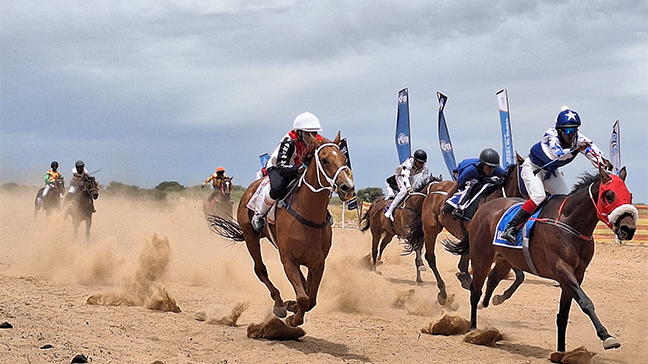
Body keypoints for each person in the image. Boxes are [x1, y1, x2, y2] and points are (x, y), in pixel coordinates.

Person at [501, 106, 613, 242]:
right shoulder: (550, 136)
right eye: (568, 130)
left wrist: (602, 162)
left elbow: (592, 150)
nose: (572, 134)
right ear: (559, 131)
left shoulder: (578, 138)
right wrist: (576, 150)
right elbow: (556, 155)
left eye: (575, 129)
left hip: (550, 171)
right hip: (533, 168)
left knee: (566, 198)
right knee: (538, 197)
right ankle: (510, 228)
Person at [250, 112, 324, 232]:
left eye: (314, 133)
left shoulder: (319, 141)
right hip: (278, 167)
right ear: (299, 132)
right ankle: (259, 214)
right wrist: (298, 169)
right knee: (278, 188)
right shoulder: (289, 141)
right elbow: (281, 167)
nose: (312, 137)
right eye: (308, 133)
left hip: (301, 168)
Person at [444, 148, 506, 218]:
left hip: (480, 177)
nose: (491, 170)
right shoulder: (470, 170)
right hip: (459, 172)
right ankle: (460, 207)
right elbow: (456, 185)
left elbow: (507, 177)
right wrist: (444, 202)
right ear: (482, 164)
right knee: (473, 183)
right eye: (489, 167)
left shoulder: (498, 170)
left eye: (494, 168)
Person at [384, 149, 431, 221]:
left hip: (410, 177)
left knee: (414, 192)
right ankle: (389, 211)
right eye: (419, 162)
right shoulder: (409, 163)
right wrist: (409, 188)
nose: (421, 165)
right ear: (415, 160)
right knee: (403, 191)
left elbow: (425, 179)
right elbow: (405, 176)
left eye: (422, 163)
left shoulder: (425, 167)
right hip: (400, 176)